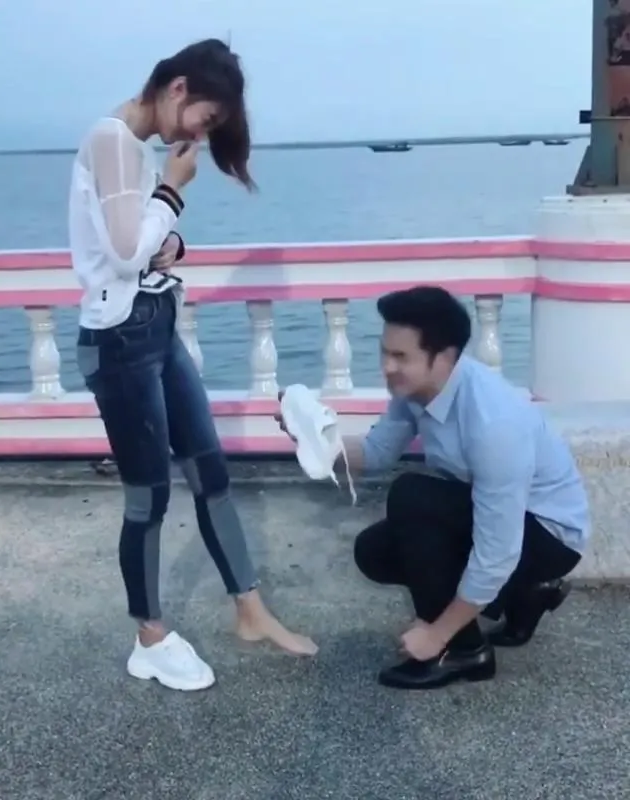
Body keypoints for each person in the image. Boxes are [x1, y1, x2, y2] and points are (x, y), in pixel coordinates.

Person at [70, 39, 317, 692]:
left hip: (156, 326)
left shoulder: (134, 147)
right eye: (205, 120)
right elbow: (125, 253)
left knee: (211, 472)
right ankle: (149, 638)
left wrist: (170, 239)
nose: (200, 137)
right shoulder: (113, 139)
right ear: (178, 88)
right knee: (148, 496)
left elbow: (136, 245)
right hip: (120, 342)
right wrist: (172, 193)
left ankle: (250, 610)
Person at [276, 286, 590, 690]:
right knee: (375, 551)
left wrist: (436, 632)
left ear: (444, 357)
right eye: (384, 352)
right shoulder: (416, 390)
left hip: (550, 535)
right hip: (498, 519)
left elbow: (498, 552)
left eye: (400, 357)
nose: (387, 367)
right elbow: (376, 452)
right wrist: (311, 439)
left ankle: (465, 650)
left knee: (413, 497)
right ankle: (526, 593)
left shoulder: (494, 425)